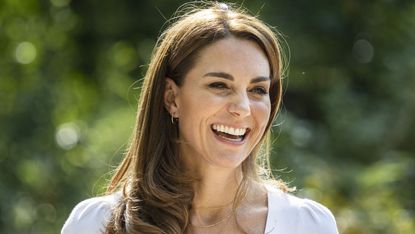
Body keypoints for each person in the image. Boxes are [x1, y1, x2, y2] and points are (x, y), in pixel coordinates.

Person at [61, 2, 338, 234]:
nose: (242, 107)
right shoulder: (95, 224)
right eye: (219, 85)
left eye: (257, 89)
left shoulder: (308, 225)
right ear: (172, 97)